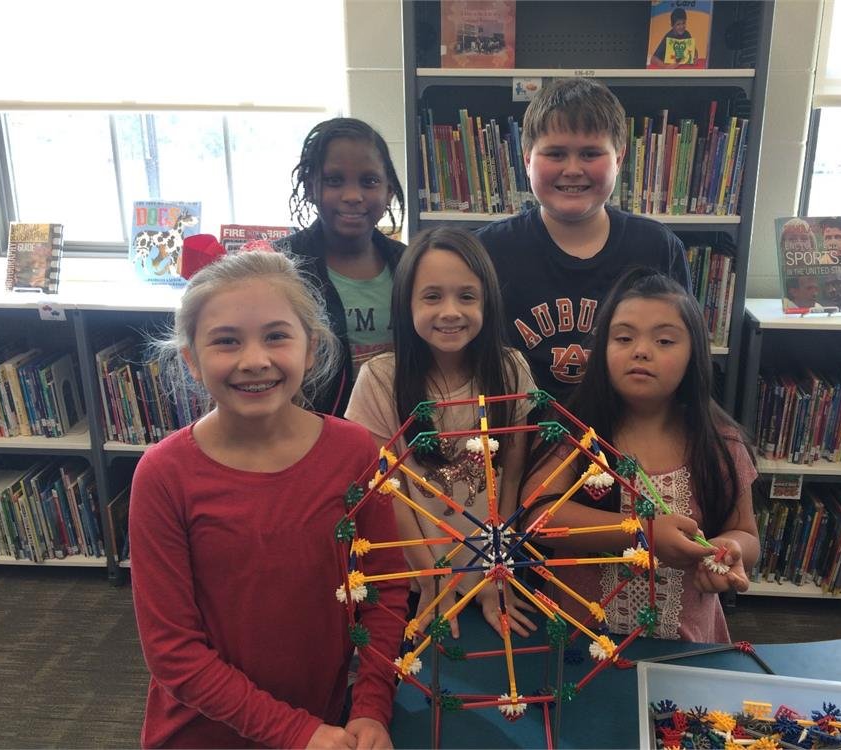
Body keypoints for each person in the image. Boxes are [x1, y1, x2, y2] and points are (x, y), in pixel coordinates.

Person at [130, 251, 408, 749]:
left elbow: (384, 591)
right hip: (201, 735)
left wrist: (370, 704)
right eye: (226, 342)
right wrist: (295, 732)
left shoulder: (355, 452)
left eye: (276, 336)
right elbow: (173, 651)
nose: (254, 360)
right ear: (191, 358)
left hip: (327, 724)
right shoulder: (164, 475)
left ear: (311, 348)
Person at [520, 269, 759, 643]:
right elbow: (538, 519)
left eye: (664, 340)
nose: (641, 350)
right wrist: (641, 533)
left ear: (694, 353)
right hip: (579, 641)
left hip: (687, 641)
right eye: (624, 337)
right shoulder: (572, 433)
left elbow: (745, 533)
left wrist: (729, 550)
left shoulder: (721, 443)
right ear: (602, 350)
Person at [345, 227, 538, 640]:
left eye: (467, 296)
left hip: (494, 570)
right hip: (418, 576)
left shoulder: (510, 368)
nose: (450, 311)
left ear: (487, 301)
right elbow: (386, 489)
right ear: (406, 303)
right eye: (432, 296)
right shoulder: (380, 378)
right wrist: (433, 578)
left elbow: (513, 476)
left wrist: (494, 570)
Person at [476, 77, 690, 404]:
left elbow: (682, 354)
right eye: (556, 153)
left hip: (625, 431)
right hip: (517, 437)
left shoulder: (659, 247)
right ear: (527, 158)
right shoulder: (487, 251)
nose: (573, 169)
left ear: (619, 158)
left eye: (590, 153)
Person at [277, 117, 407, 417]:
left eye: (369, 181)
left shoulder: (408, 264)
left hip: (398, 429)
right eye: (334, 180)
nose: (352, 196)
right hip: (314, 431)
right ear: (310, 188)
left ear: (388, 191)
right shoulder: (281, 268)